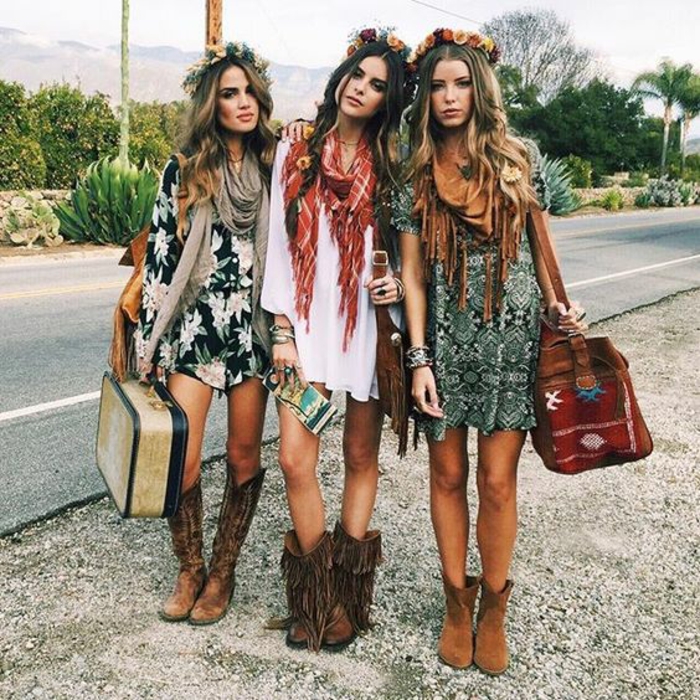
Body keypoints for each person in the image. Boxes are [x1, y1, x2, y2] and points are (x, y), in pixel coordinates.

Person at [398, 28, 587, 674]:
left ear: (481, 90)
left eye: (461, 84)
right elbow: (414, 275)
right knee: (447, 475)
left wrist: (562, 306)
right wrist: (418, 358)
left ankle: (496, 608)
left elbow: (540, 245)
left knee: (498, 482)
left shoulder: (518, 156)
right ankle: (456, 600)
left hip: (511, 336)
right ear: (426, 95)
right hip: (445, 341)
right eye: (439, 86)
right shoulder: (414, 167)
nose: (450, 97)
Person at [261, 28, 411, 652]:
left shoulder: (395, 164)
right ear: (341, 75)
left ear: (387, 99)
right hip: (305, 331)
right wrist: (282, 331)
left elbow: (410, 252)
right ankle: (314, 599)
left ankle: (347, 599)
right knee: (295, 458)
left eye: (378, 84)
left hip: (366, 332)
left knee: (358, 457)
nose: (362, 88)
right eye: (358, 74)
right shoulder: (295, 149)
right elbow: (277, 247)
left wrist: (398, 285)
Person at [135, 41, 275, 626]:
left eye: (248, 92)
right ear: (210, 104)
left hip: (252, 331)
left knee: (243, 457)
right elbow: (162, 258)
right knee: (183, 461)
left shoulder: (274, 164)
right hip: (195, 329)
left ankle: (222, 572)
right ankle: (189, 565)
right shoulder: (186, 167)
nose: (242, 103)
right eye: (228, 94)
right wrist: (150, 340)